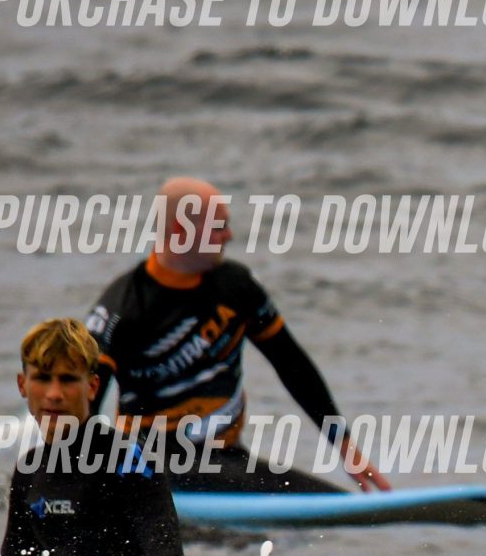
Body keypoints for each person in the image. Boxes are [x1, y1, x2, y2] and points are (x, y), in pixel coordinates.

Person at [86, 175, 390, 493]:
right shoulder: (122, 307)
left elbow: (292, 364)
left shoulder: (235, 287)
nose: (229, 236)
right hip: (153, 463)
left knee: (330, 498)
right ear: (180, 231)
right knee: (315, 504)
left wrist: (344, 444)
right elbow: (86, 398)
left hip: (228, 460)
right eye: (219, 227)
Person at [0, 318, 188, 556]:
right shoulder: (29, 470)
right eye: (42, 378)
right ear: (22, 384)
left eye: (68, 379)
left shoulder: (128, 461)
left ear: (92, 386)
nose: (54, 394)